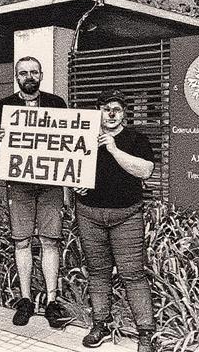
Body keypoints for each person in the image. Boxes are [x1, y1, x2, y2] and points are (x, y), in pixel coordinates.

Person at [73, 89, 155, 352]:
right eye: (105, 108)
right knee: (98, 272)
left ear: (123, 114)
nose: (110, 114)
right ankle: (100, 324)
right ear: (98, 110)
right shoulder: (83, 136)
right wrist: (76, 185)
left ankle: (146, 332)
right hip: (90, 214)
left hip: (126, 215)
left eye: (116, 109)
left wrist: (112, 147)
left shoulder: (136, 139)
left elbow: (145, 170)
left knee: (133, 274)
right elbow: (70, 168)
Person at [0, 56, 69, 327]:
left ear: (42, 74)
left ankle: (51, 300)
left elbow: (68, 142)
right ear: (16, 76)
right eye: (23, 73)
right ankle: (25, 299)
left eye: (34, 72)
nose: (29, 77)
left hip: (50, 183)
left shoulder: (57, 103)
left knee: (50, 241)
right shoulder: (3, 106)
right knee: (21, 241)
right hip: (19, 182)